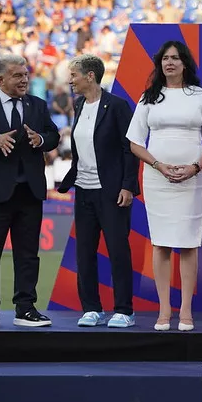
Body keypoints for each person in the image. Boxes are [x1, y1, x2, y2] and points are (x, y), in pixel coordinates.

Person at [127, 41, 202, 332]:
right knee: (162, 242)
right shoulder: (149, 98)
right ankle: (164, 310)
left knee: (189, 242)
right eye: (165, 58)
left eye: (176, 58)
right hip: (158, 178)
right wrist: (159, 165)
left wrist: (194, 167)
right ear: (160, 63)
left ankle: (186, 312)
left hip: (193, 179)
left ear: (185, 64)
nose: (170, 63)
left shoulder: (200, 97)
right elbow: (134, 142)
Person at [0, 54, 60, 329]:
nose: (25, 79)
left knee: (28, 253)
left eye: (26, 74)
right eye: (18, 75)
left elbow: (54, 135)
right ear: (0, 79)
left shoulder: (38, 105)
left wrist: (40, 139)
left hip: (29, 191)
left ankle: (25, 308)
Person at [57, 54, 140, 328]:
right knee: (84, 252)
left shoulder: (117, 106)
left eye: (74, 75)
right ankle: (92, 308)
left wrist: (128, 186)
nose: (71, 80)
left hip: (112, 191)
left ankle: (124, 310)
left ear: (90, 75)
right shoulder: (78, 105)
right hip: (84, 190)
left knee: (117, 250)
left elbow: (130, 149)